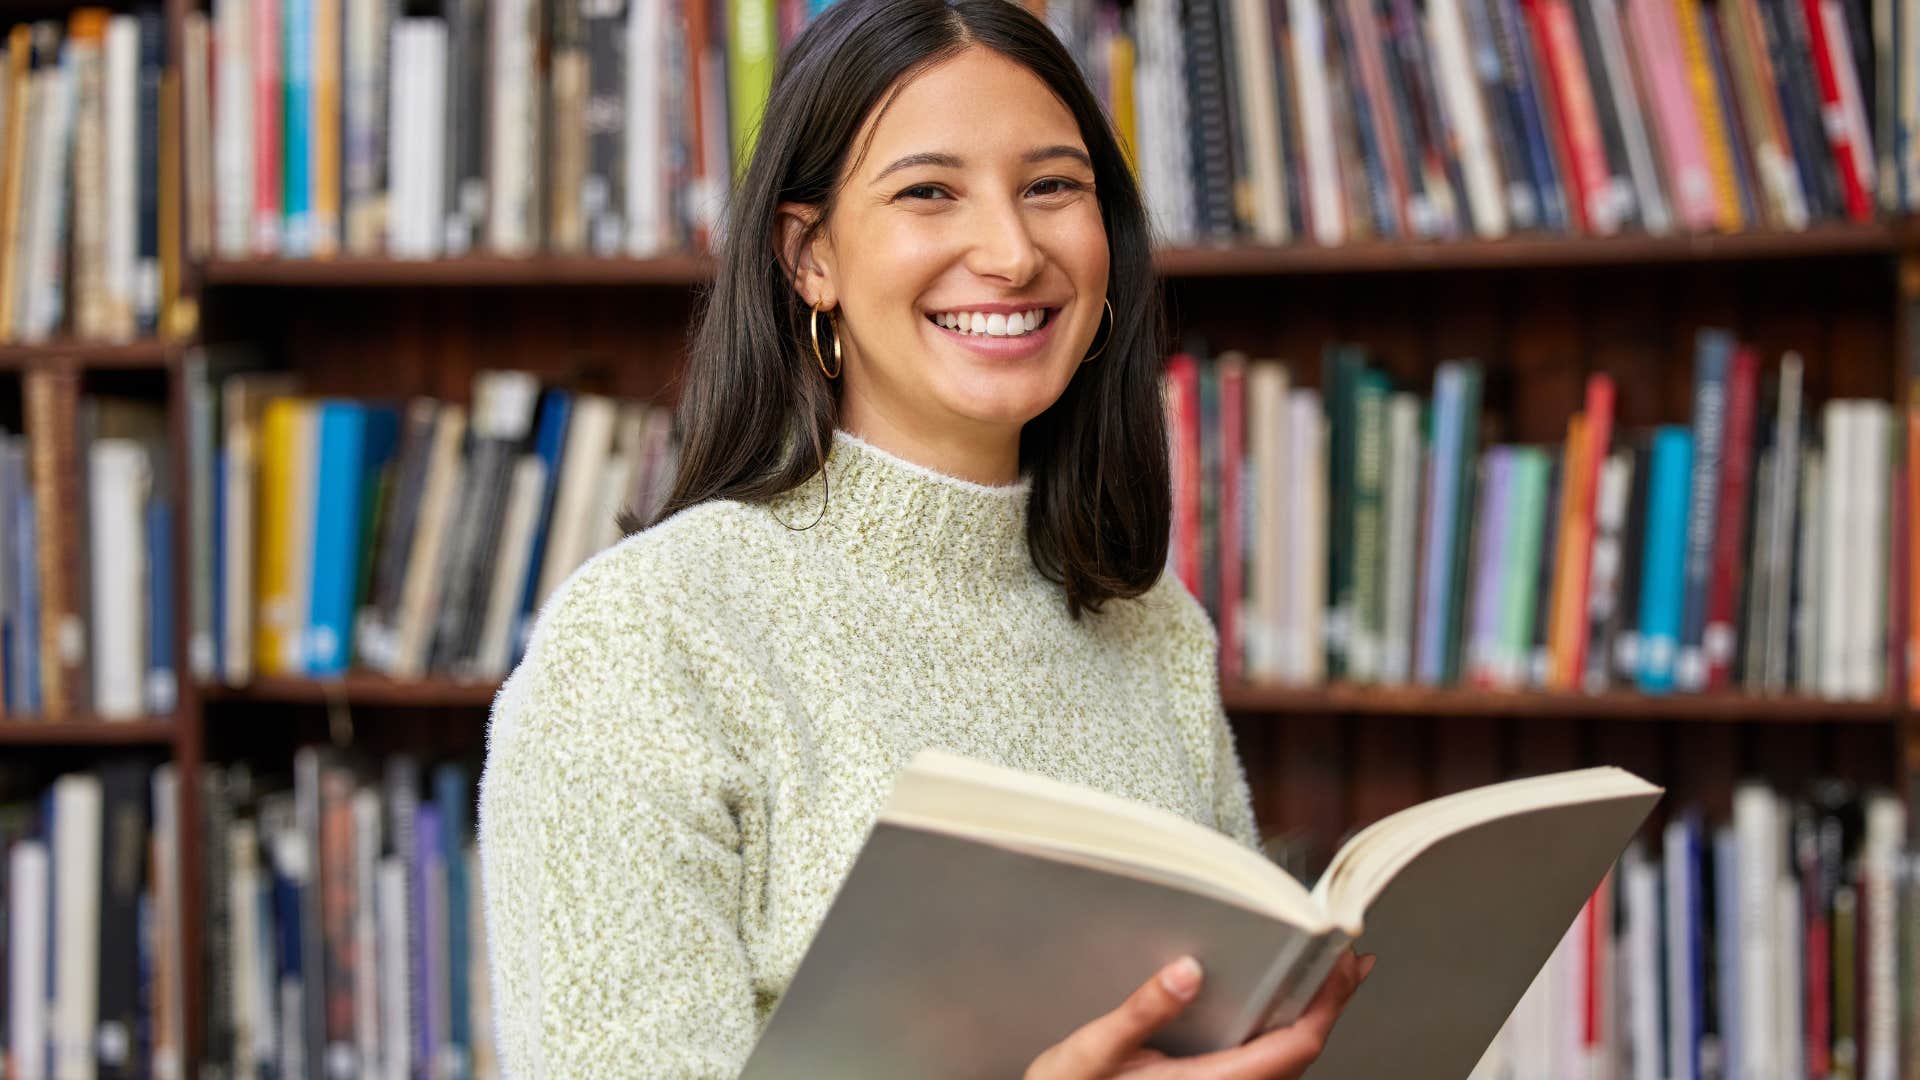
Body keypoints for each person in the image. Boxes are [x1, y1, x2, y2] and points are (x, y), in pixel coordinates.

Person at [475, 0, 1371, 1074]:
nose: (1011, 251)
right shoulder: (647, 637)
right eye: (928, 192)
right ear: (810, 257)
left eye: (1052, 187)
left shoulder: (1152, 627)